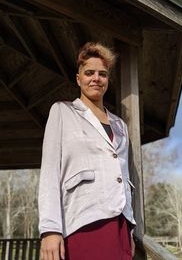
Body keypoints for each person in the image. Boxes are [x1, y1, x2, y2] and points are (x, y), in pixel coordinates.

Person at [38, 42, 136, 260]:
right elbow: (50, 173)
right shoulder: (62, 112)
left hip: (120, 224)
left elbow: (124, 175)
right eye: (89, 72)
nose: (96, 78)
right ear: (78, 78)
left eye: (102, 74)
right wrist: (50, 229)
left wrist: (130, 226)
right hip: (83, 221)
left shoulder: (120, 125)